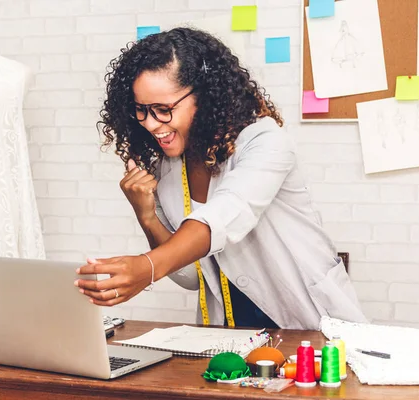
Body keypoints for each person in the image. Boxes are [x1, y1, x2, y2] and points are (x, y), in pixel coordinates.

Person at [75, 27, 367, 330]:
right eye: (141, 110)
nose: (150, 123)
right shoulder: (168, 168)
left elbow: (226, 214)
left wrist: (147, 267)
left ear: (203, 97)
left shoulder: (264, 141)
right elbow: (189, 276)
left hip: (308, 322)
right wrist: (147, 216)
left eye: (163, 109)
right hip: (232, 334)